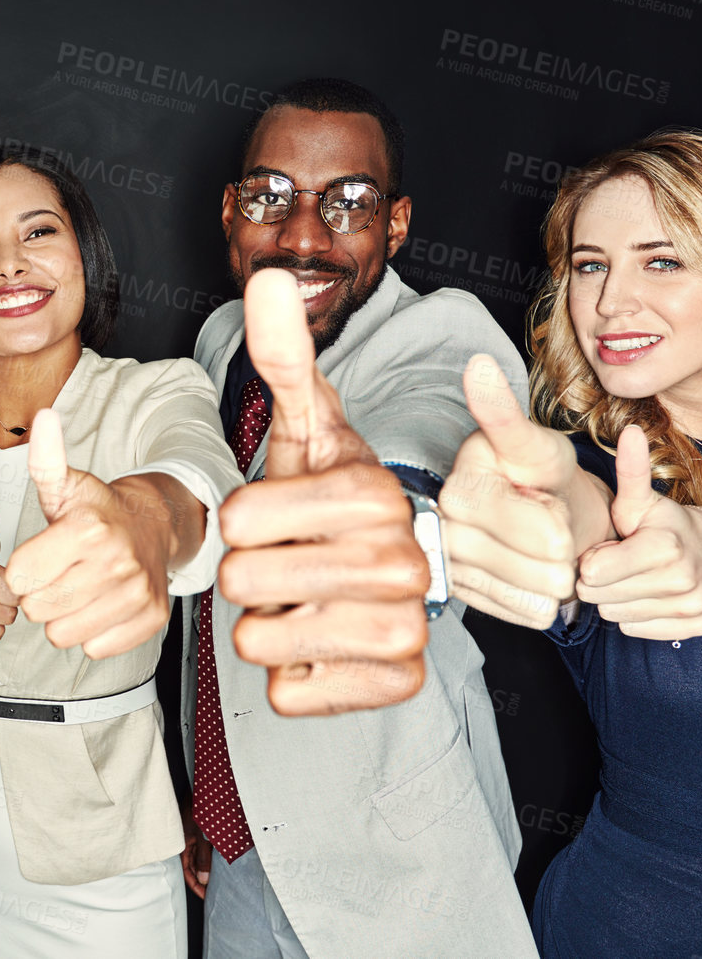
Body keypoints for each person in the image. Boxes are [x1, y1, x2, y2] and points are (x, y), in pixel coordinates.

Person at [438, 129, 702, 958]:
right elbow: (575, 511)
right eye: (589, 264)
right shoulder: (594, 475)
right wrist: (539, 507)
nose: (609, 303)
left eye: (661, 261)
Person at [183, 78, 537, 957]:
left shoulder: (447, 334)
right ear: (231, 211)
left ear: (399, 223)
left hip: (397, 871)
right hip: (238, 843)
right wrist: (208, 792)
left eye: (350, 203)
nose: (304, 236)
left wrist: (390, 526)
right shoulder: (224, 339)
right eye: (271, 197)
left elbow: (423, 444)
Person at [0, 148, 242, 957]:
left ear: (85, 256)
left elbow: (196, 484)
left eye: (39, 230)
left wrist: (146, 525)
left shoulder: (158, 389)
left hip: (98, 833)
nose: (10, 262)